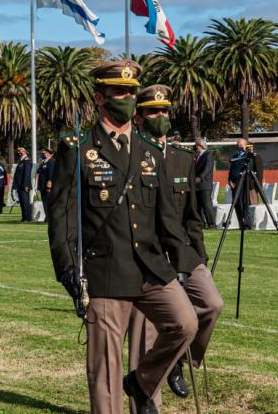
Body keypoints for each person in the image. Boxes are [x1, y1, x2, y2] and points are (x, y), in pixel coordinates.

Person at [48, 60, 197, 414]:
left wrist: (184, 261)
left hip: (149, 266)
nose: (128, 97)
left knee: (185, 323)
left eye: (132, 91)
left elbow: (165, 215)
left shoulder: (148, 149)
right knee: (106, 367)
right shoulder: (79, 147)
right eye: (120, 91)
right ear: (100, 98)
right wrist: (68, 267)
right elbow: (62, 215)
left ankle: (142, 381)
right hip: (105, 269)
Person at [127, 85, 223, 411]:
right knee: (146, 335)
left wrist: (199, 256)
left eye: (165, 111)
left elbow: (192, 216)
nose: (162, 116)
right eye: (154, 111)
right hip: (147, 254)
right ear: (138, 117)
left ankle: (179, 359)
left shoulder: (183, 158)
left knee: (211, 304)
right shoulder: (131, 153)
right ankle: (145, 401)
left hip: (182, 250)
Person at [228, 139, 251, 229]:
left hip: (242, 183)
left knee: (243, 203)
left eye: (240, 145)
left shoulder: (247, 156)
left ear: (245, 145)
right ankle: (241, 224)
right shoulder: (235, 156)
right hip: (233, 184)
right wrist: (229, 180)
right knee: (236, 204)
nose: (239, 146)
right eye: (238, 145)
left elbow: (247, 170)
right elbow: (231, 170)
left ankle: (247, 224)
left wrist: (238, 181)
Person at [193, 138, 215, 228]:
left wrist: (200, 177)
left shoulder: (208, 155)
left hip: (204, 185)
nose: (195, 147)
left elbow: (208, 168)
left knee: (207, 205)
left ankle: (212, 224)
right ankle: (201, 223)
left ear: (200, 146)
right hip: (197, 185)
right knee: (197, 205)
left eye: (196, 145)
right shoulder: (198, 156)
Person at [12, 146, 33, 222]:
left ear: (24, 152)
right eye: (18, 151)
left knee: (25, 202)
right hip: (20, 185)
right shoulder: (21, 161)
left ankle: (27, 218)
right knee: (22, 202)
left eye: (20, 151)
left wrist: (26, 185)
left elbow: (27, 174)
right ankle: (24, 217)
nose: (19, 153)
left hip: (24, 185)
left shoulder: (27, 161)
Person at [36, 148, 55, 222]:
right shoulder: (44, 162)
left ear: (51, 154)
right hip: (42, 185)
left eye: (47, 153)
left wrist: (49, 186)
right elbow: (38, 171)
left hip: (47, 186)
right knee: (45, 202)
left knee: (48, 202)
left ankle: (49, 218)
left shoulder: (51, 162)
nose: (45, 155)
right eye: (45, 153)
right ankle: (47, 217)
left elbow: (51, 175)